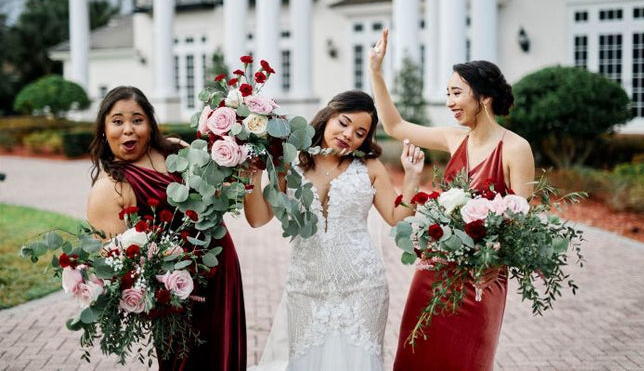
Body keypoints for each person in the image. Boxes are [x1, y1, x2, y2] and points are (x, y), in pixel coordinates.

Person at [369, 29, 535, 371]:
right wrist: (375, 70)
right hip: (434, 272)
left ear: (484, 97)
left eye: (457, 92)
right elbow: (395, 124)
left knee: (467, 358)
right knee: (418, 354)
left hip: (482, 277)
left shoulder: (516, 148)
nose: (449, 102)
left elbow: (523, 218)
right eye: (447, 93)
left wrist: (494, 259)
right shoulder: (453, 138)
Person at [244, 91, 426, 371]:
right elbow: (258, 219)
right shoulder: (289, 162)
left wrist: (412, 177)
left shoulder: (370, 167)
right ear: (328, 114)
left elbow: (396, 217)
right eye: (344, 122)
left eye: (360, 132)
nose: (349, 134)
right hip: (306, 284)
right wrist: (254, 173)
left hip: (363, 285)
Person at [86, 86, 247, 371]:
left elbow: (218, 196)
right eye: (117, 121)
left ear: (150, 123)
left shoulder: (175, 150)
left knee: (227, 355)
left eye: (137, 119)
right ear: (103, 129)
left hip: (222, 271)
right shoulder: (109, 188)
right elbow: (113, 267)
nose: (128, 130)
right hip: (176, 295)